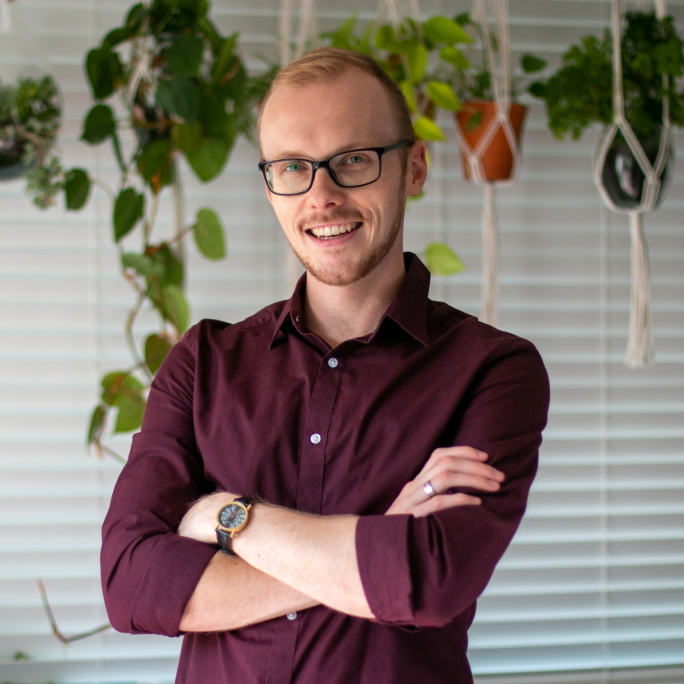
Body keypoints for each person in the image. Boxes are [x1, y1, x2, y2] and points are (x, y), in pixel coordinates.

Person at [101, 47, 550, 683]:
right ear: (270, 186)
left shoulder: (496, 370)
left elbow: (427, 581)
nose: (323, 196)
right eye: (292, 167)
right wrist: (374, 547)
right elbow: (130, 585)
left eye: (354, 161)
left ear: (413, 168)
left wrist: (229, 517)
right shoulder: (201, 363)